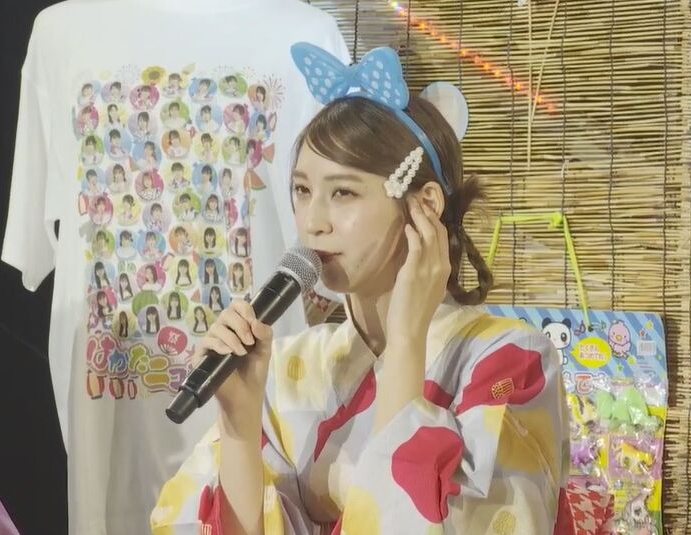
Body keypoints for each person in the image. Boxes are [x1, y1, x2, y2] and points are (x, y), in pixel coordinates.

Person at [152, 45, 567, 535]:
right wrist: (240, 429)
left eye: (343, 192)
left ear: (424, 206)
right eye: (303, 190)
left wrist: (406, 342)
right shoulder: (287, 366)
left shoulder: (512, 363)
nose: (313, 222)